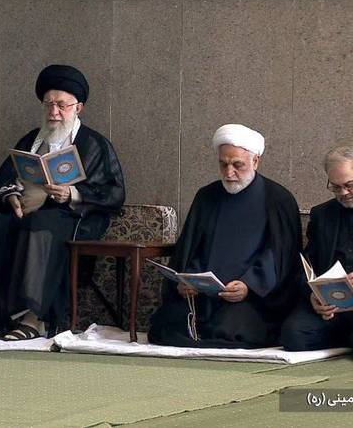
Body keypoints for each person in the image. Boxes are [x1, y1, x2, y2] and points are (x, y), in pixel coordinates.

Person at [0, 64, 125, 340]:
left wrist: (71, 194)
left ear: (78, 108)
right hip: (24, 214)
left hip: (69, 218)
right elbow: (0, 182)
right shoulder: (30, 140)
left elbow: (115, 194)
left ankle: (34, 319)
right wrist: (11, 197)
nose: (54, 112)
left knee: (41, 225)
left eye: (61, 105)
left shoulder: (95, 145)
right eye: (48, 104)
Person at [148, 124, 302, 348]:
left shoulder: (278, 199)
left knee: (231, 331)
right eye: (223, 164)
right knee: (165, 326)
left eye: (237, 165)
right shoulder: (206, 196)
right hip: (202, 296)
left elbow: (280, 256)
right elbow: (192, 247)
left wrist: (249, 285)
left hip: (252, 298)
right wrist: (188, 279)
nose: (229, 173)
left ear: (255, 161)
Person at [280, 145, 353, 350]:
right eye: (336, 187)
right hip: (331, 305)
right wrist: (313, 295)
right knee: (293, 335)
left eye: (349, 185)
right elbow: (306, 266)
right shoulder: (322, 214)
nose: (343, 193)